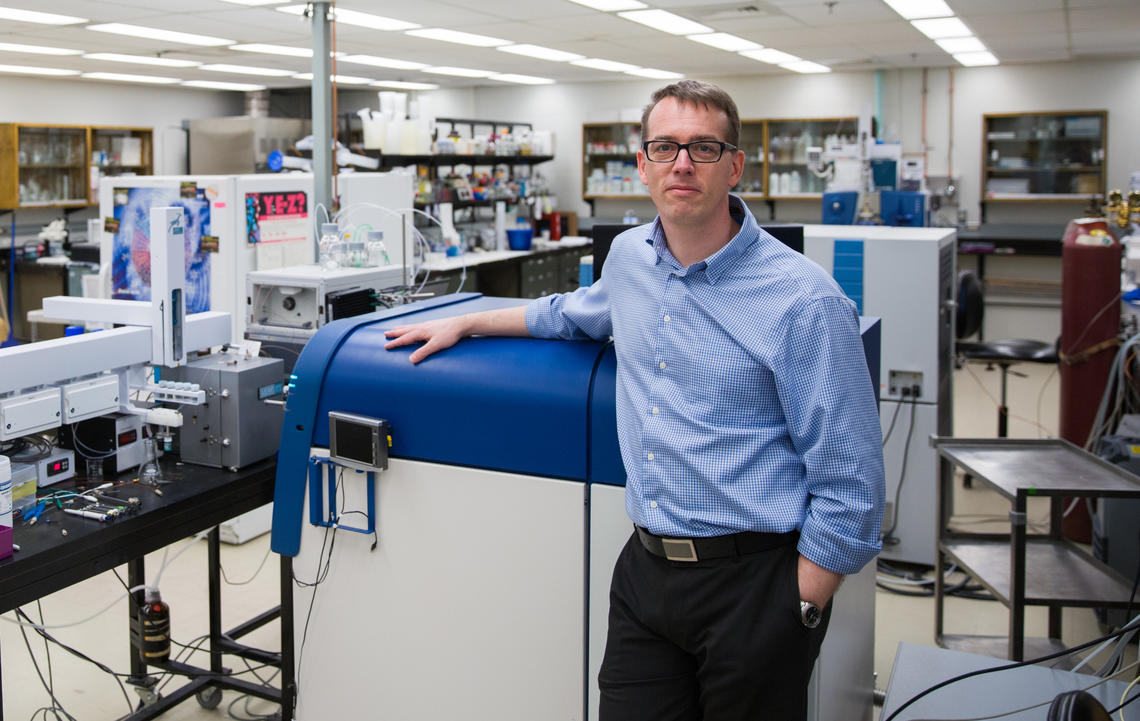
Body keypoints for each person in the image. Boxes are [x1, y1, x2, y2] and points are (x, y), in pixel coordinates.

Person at [384, 79, 885, 721]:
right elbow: (568, 314)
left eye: (704, 148)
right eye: (666, 146)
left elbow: (854, 487)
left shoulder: (803, 302)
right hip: (647, 573)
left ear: (736, 166)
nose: (682, 163)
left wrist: (800, 605)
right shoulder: (628, 258)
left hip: (755, 584)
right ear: (641, 164)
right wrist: (468, 321)